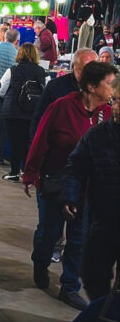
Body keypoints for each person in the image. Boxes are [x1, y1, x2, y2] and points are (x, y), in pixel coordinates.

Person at [23, 62, 117, 310]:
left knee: (79, 240)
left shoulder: (108, 114)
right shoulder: (62, 106)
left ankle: (70, 286)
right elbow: (41, 139)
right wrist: (31, 172)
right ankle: (40, 261)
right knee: (49, 234)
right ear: (91, 86)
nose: (115, 88)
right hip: (55, 183)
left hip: (90, 190)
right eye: (111, 83)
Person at [61, 76, 120, 302]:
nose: (116, 107)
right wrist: (70, 196)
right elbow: (76, 168)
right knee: (93, 274)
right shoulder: (97, 136)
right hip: (102, 221)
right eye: (114, 100)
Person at [0, 43, 46, 182]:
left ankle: (14, 172)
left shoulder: (13, 70)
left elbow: (1, 90)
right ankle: (26, 172)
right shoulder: (42, 71)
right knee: (29, 143)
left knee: (14, 143)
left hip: (13, 112)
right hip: (33, 112)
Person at [29, 48, 98, 140]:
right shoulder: (55, 86)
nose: (87, 76)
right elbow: (39, 118)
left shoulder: (103, 89)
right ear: (73, 67)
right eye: (82, 70)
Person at [0, 27, 19, 165]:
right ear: (16, 41)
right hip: (11, 94)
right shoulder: (17, 53)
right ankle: (8, 153)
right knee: (10, 126)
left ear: (4, 36)